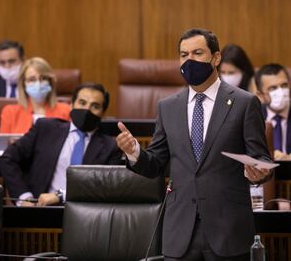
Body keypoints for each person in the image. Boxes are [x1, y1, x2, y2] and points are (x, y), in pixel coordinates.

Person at [116, 28, 273, 260]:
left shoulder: (244, 103)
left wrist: (258, 173)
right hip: (180, 231)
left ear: (216, 58)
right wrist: (134, 152)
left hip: (228, 229)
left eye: (197, 53)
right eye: (183, 54)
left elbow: (261, 159)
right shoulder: (167, 107)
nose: (189, 60)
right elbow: (156, 164)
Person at [0, 83, 122, 206]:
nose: (87, 110)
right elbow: (8, 159)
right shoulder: (45, 128)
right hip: (39, 210)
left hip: (85, 215)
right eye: (82, 103)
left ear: (103, 113)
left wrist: (61, 195)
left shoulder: (111, 147)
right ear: (72, 105)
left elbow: (106, 186)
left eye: (95, 106)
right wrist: (24, 197)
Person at [0, 57, 70, 134]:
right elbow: (3, 145)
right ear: (23, 84)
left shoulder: (66, 111)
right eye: (32, 79)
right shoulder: (10, 112)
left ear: (50, 81)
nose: (38, 84)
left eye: (43, 78)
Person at [255, 63, 291, 160]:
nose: (281, 92)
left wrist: (288, 158)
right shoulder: (253, 117)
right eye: (273, 88)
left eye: (284, 85)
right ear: (260, 95)